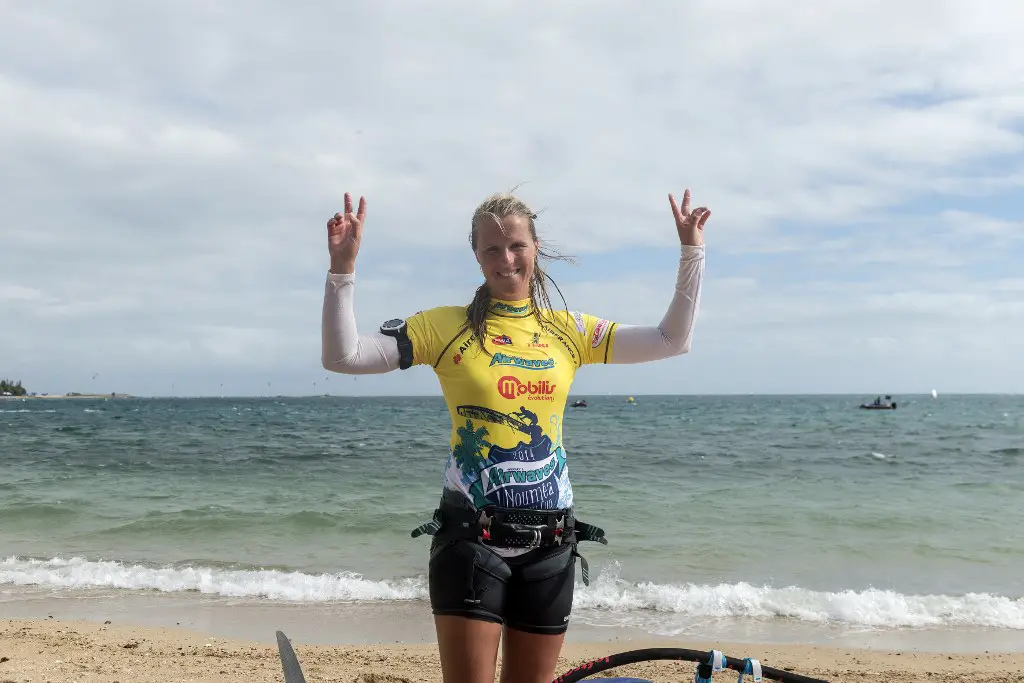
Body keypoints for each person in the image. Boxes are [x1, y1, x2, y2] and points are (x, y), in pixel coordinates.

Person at [321, 188, 710, 683]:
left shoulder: (567, 330)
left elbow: (671, 340)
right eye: (491, 249)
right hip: (471, 541)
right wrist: (343, 269)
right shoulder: (445, 327)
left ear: (535, 247)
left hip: (551, 545)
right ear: (477, 256)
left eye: (516, 246)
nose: (505, 259)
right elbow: (344, 357)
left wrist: (691, 250)